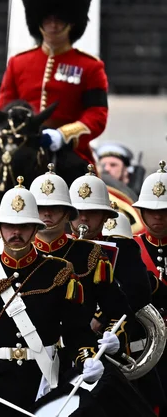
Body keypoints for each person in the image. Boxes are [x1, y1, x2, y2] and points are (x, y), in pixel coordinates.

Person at [0, 177, 105, 416]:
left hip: (44, 385)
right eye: (9, 226)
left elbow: (76, 331)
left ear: (36, 229)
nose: (16, 232)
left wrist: (87, 358)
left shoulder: (59, 271)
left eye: (24, 226)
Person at [0, 0, 106, 172]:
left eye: (59, 19)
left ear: (71, 21)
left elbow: (97, 114)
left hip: (67, 152)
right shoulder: (18, 63)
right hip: (20, 147)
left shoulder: (89, 66)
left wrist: (64, 135)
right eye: (47, 19)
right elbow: (5, 104)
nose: (53, 25)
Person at [68, 164, 165, 411]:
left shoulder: (122, 249)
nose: (83, 219)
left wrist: (101, 318)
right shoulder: (60, 252)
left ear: (104, 216)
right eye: (78, 212)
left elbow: (137, 291)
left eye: (91, 213)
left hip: (113, 351)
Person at [29, 164, 128, 374]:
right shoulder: (16, 255)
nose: (47, 214)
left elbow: (117, 310)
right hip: (27, 362)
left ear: (68, 214)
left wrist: (112, 336)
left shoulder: (90, 254)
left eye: (55, 208)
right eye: (39, 208)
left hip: (80, 359)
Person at [132, 161, 167, 412]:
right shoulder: (129, 248)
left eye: (164, 210)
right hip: (145, 349)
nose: (158, 216)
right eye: (151, 210)